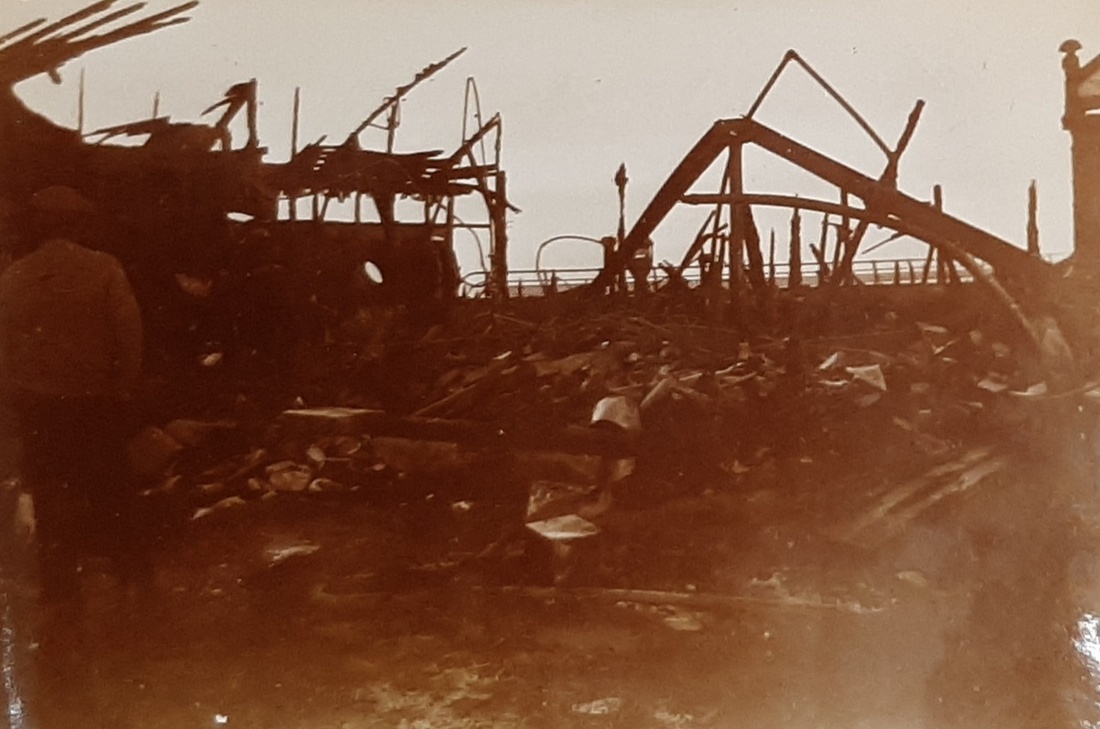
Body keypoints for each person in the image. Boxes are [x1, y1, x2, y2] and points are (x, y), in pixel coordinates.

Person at [0, 185, 149, 605]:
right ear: (79, 225)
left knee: (50, 498)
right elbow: (130, 336)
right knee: (113, 493)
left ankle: (61, 593)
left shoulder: (14, 276)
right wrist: (122, 388)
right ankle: (134, 580)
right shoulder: (104, 268)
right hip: (94, 403)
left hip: (38, 407)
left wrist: (16, 393)